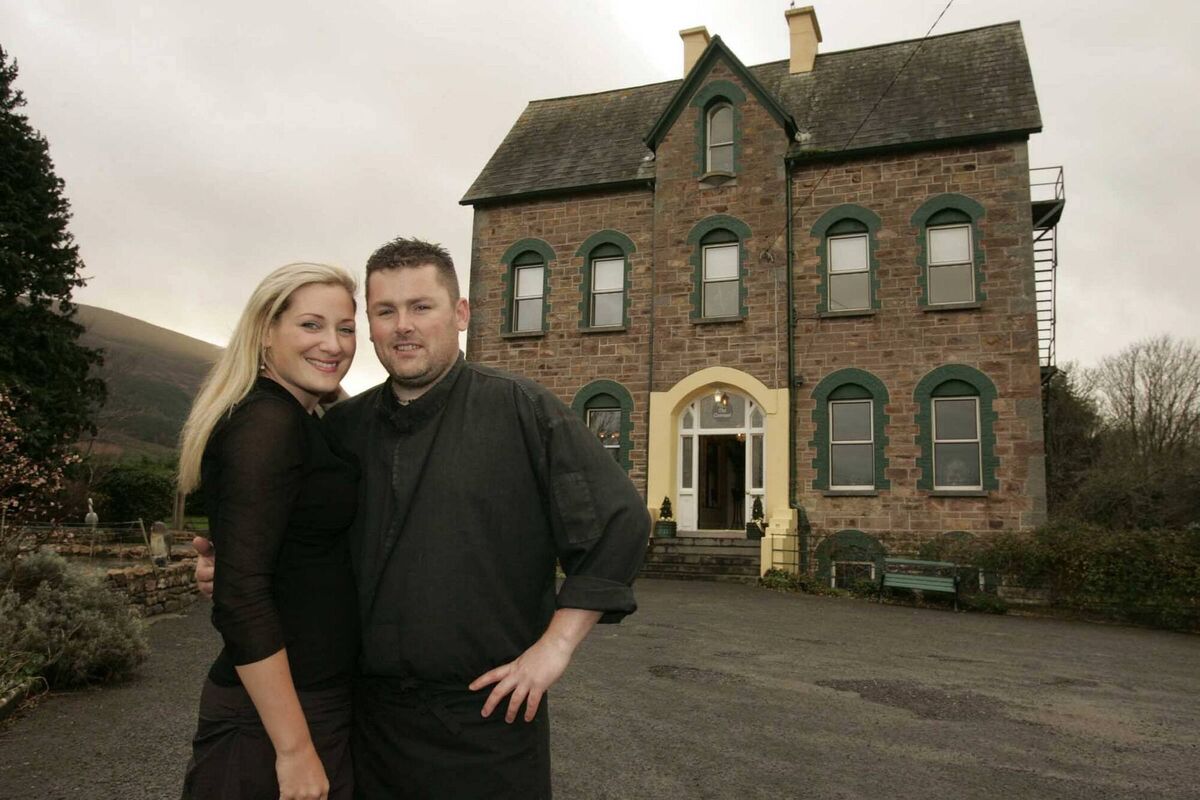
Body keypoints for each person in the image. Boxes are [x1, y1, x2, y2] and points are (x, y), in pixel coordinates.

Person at [197, 238, 649, 799]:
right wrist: (230, 570)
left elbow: (620, 520)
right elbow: (282, 542)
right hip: (365, 722)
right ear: (373, 327)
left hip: (487, 722)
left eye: (421, 307)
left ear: (460, 314)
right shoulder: (341, 428)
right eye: (386, 311)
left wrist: (553, 648)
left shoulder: (520, 409)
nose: (403, 326)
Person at [179, 263, 361, 800]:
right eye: (311, 325)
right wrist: (294, 748)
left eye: (346, 328)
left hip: (315, 704)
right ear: (264, 332)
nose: (333, 343)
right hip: (272, 722)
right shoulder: (266, 422)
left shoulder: (303, 420)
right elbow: (240, 596)